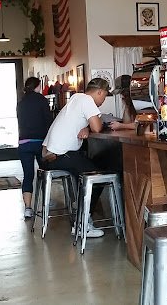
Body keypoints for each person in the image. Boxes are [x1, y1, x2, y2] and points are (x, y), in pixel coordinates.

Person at [41, 78, 111, 237]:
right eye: (104, 96)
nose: (103, 101)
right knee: (97, 177)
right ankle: (82, 223)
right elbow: (97, 127)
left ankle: (79, 208)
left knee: (90, 170)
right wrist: (90, 127)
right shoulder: (87, 100)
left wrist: (86, 127)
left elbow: (88, 126)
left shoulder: (76, 98)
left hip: (49, 156)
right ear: (100, 92)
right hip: (61, 155)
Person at [17, 77, 53, 219]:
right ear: (38, 87)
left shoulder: (21, 102)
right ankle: (46, 201)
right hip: (39, 142)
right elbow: (49, 121)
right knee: (44, 172)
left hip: (24, 143)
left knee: (28, 175)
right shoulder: (41, 100)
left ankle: (28, 208)